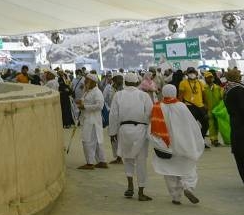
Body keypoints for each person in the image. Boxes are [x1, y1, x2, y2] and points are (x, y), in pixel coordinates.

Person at [150, 84, 204, 204]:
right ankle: (188, 187)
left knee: (169, 171)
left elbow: (152, 127)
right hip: (183, 145)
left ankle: (176, 197)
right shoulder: (181, 106)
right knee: (188, 167)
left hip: (165, 146)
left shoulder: (157, 107)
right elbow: (192, 125)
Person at [108, 72, 154, 201]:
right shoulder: (144, 95)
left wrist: (112, 132)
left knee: (128, 160)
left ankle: (130, 187)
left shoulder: (118, 95)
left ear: (125, 82)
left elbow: (113, 115)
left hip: (124, 130)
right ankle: (141, 192)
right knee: (141, 161)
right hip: (141, 130)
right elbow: (150, 113)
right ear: (137, 83)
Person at [76, 73, 108, 169]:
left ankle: (90, 163)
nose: (85, 82)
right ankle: (102, 161)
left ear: (93, 82)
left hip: (92, 121)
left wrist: (85, 107)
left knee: (87, 141)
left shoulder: (97, 92)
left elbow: (99, 106)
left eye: (87, 80)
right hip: (87, 119)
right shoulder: (88, 91)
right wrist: (80, 102)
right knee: (96, 142)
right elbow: (84, 100)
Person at [224, 68, 244, 184]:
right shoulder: (238, 90)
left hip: (235, 124)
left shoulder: (227, 89)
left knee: (239, 153)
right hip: (242, 124)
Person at [177, 67, 208, 140]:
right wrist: (180, 108)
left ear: (196, 73)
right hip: (189, 107)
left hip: (200, 107)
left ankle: (201, 140)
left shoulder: (200, 83)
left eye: (193, 72)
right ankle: (192, 142)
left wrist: (206, 104)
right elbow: (180, 97)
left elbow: (204, 94)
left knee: (206, 125)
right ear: (187, 74)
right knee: (191, 127)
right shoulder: (183, 83)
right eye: (190, 72)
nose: (192, 74)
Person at [202, 72, 224, 147]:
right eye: (208, 77)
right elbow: (202, 99)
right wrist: (204, 107)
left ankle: (215, 139)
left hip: (217, 110)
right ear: (205, 79)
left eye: (210, 77)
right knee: (211, 125)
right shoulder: (203, 88)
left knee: (216, 125)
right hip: (209, 109)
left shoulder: (218, 88)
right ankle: (213, 139)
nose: (209, 79)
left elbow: (221, 97)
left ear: (213, 78)